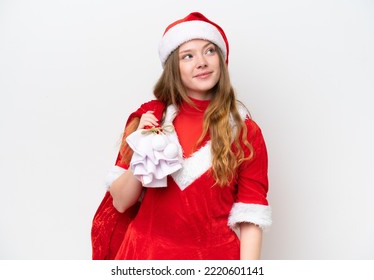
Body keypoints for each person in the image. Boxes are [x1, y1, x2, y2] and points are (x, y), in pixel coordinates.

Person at [92, 12, 271, 260]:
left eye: (209, 51)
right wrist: (143, 149)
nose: (202, 61)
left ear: (221, 60)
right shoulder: (150, 116)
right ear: (173, 69)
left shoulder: (246, 132)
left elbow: (251, 217)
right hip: (143, 257)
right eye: (188, 55)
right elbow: (121, 203)